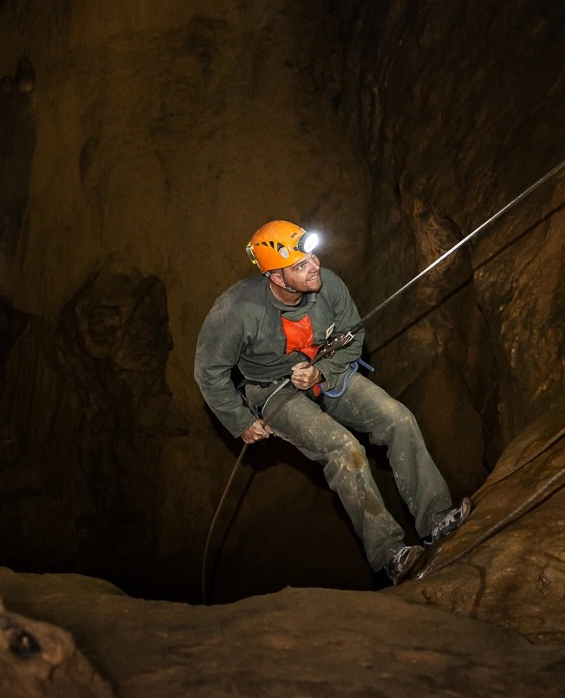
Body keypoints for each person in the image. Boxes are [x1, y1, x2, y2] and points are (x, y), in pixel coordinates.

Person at [194, 220, 471, 584]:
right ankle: (392, 555)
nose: (314, 266)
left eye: (311, 255)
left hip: (328, 371)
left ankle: (436, 520)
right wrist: (240, 420)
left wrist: (322, 371)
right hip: (275, 391)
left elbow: (353, 338)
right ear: (277, 278)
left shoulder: (329, 287)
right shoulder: (237, 311)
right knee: (345, 451)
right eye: (300, 265)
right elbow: (209, 372)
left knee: (397, 418)